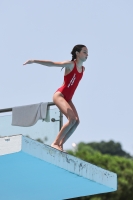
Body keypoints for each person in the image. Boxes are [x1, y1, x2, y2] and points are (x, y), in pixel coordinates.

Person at [23, 44, 88, 151]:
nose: (87, 55)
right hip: (60, 95)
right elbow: (52, 64)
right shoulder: (71, 64)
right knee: (72, 119)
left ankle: (61, 144)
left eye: (87, 53)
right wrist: (34, 60)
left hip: (68, 98)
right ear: (77, 53)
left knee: (76, 122)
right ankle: (55, 143)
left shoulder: (83, 69)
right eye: (84, 52)